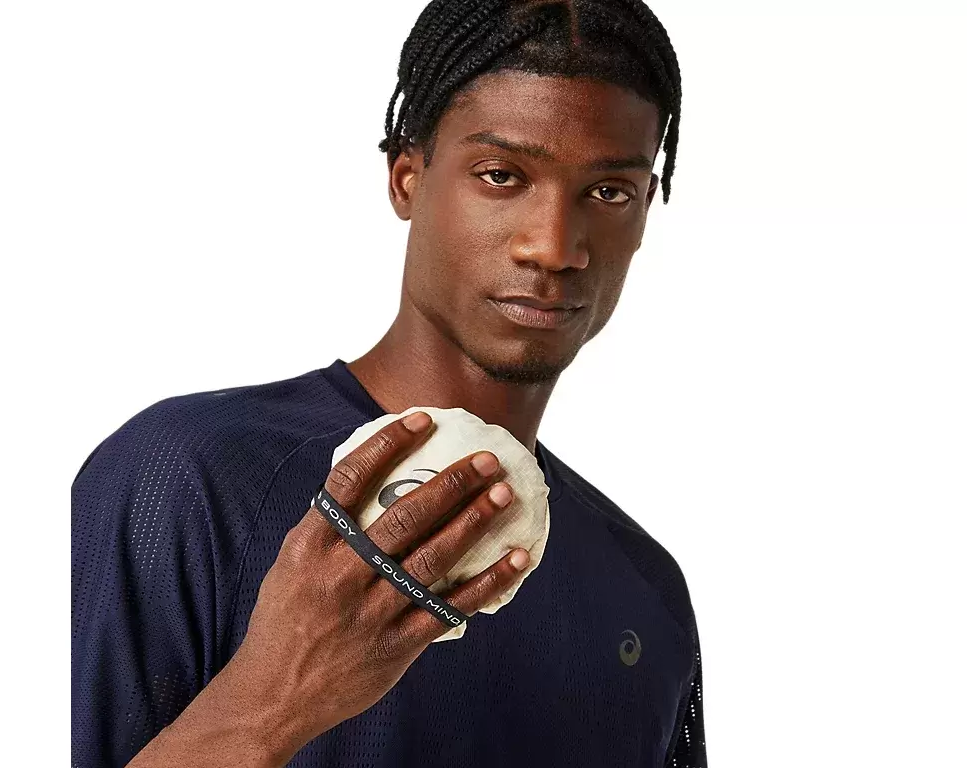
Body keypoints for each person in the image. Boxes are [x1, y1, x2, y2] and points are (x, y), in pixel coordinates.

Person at [71, 1, 707, 766]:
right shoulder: (181, 478)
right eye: (501, 175)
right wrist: (271, 702)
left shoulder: (646, 591)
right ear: (407, 177)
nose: (553, 247)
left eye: (609, 192)